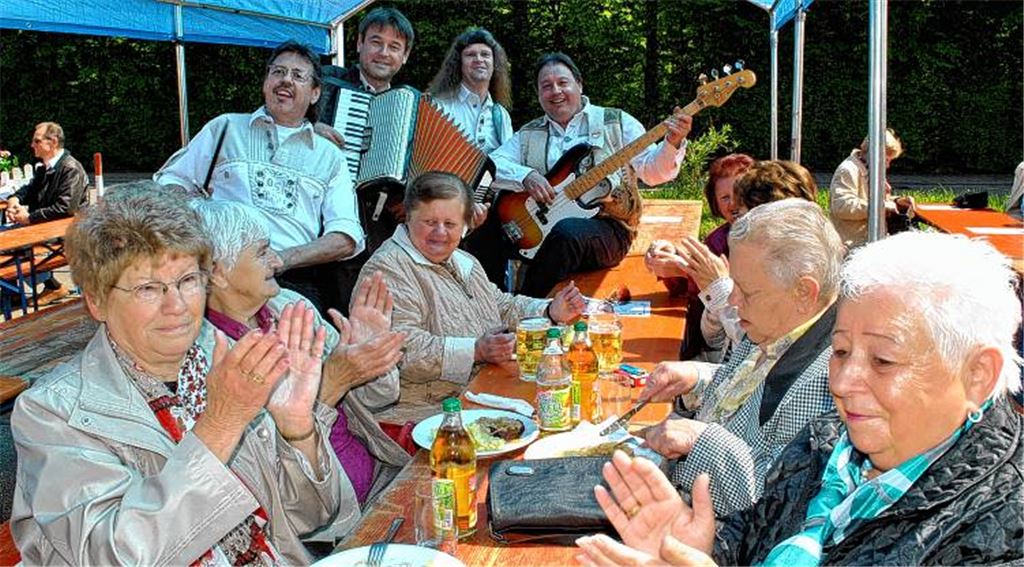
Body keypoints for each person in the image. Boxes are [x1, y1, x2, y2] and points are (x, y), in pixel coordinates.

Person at [576, 231, 1023, 566]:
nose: (843, 382)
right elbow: (755, 531)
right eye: (841, 351)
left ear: (978, 374)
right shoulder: (828, 441)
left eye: (884, 361)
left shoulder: (1005, 526)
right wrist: (700, 544)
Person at [10, 182, 345, 564]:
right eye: (148, 288)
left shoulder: (223, 361)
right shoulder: (52, 413)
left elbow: (307, 518)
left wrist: (297, 429)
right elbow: (116, 557)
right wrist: (220, 426)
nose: (177, 307)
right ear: (97, 302)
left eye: (188, 281)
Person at [193, 199, 408, 506]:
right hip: (323, 517)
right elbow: (265, 462)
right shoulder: (209, 354)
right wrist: (333, 382)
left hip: (378, 472)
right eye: (262, 252)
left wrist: (372, 358)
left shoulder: (291, 306)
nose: (278, 261)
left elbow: (380, 398)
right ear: (217, 272)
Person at [637, 199, 841, 516]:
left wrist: (700, 439)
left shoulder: (828, 383)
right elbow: (744, 388)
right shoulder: (774, 323)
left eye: (746, 291)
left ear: (804, 292)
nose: (733, 300)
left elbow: (772, 509)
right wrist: (695, 379)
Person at [355, 172, 587, 423]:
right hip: (421, 416)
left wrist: (550, 310)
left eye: (450, 224)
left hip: (480, 391)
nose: (440, 233)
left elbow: (500, 305)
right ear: (408, 217)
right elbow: (402, 349)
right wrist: (474, 351)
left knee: (569, 402)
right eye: (430, 222)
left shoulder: (463, 260)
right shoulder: (387, 270)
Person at [155, 40, 363, 316]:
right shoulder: (226, 127)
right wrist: (200, 224)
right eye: (278, 72)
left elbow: (346, 237)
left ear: (314, 93)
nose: (285, 80)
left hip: (289, 281)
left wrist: (284, 259)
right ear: (265, 82)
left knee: (296, 352)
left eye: (298, 76)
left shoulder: (330, 156)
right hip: (218, 274)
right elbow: (171, 181)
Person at [477, 52, 691, 295]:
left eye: (563, 83)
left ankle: (525, 311)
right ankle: (486, 308)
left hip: (609, 230)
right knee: (483, 227)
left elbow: (654, 173)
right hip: (540, 226)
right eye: (546, 86)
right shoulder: (528, 133)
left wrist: (672, 143)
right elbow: (491, 165)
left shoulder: (616, 123)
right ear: (538, 93)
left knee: (567, 234)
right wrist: (525, 176)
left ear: (579, 84)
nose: (555, 91)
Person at [648, 160, 819, 365]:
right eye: (726, 198)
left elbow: (761, 356)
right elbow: (715, 340)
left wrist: (719, 289)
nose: (736, 217)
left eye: (745, 216)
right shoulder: (738, 249)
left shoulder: (796, 274)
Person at [644, 153, 754, 362]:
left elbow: (728, 287)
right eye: (724, 198)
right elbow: (688, 289)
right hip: (712, 340)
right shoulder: (718, 239)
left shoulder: (767, 240)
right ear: (715, 203)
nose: (733, 204)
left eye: (739, 193)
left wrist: (683, 269)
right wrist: (669, 256)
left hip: (734, 349)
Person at [5, 122, 88, 304]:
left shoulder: (70, 168)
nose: (32, 145)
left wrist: (28, 218)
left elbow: (65, 208)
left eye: (37, 141)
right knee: (6, 236)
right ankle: (12, 291)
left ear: (53, 142)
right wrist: (14, 199)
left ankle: (49, 287)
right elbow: (29, 190)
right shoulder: (45, 167)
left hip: (66, 232)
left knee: (8, 245)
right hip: (45, 228)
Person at [428, 27, 513, 155]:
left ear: (495, 63)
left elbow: (508, 161)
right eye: (470, 55)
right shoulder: (439, 107)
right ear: (459, 63)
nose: (479, 59)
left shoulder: (501, 115)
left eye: (485, 54)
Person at [829, 128, 915, 248]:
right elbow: (842, 206)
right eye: (886, 160)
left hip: (868, 240)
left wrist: (897, 201)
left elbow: (875, 199)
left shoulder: (871, 168)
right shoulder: (848, 170)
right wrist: (881, 207)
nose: (888, 165)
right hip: (850, 244)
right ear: (874, 154)